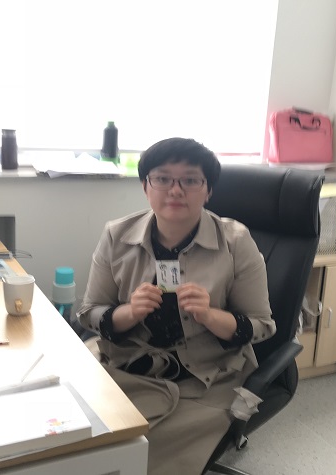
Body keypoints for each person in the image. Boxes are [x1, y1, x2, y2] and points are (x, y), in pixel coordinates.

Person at [78, 137, 275, 474]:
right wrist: (129, 312)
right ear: (145, 186)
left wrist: (211, 316)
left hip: (207, 379)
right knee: (79, 436)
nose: (175, 190)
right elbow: (89, 313)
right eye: (163, 178)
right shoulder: (116, 235)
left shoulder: (236, 241)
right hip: (126, 366)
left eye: (190, 180)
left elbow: (262, 325)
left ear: (208, 190)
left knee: (142, 457)